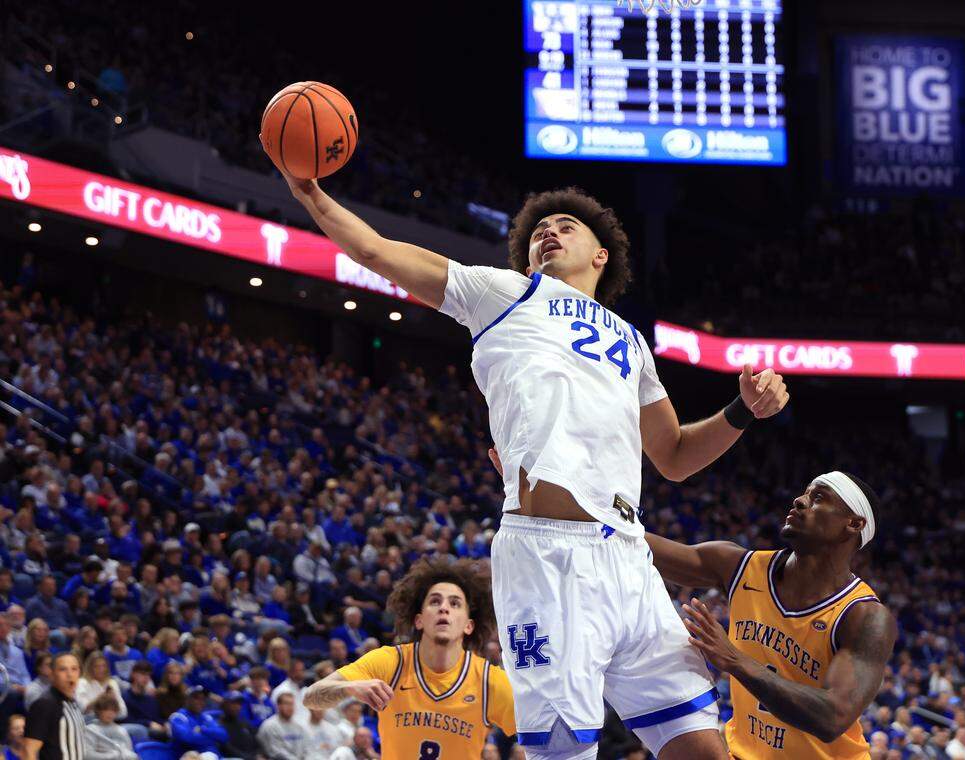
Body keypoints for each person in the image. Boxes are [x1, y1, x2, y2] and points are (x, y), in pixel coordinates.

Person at [264, 138, 789, 760]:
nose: (548, 233)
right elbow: (378, 251)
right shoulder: (504, 294)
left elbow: (673, 455)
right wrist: (312, 195)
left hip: (627, 559)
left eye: (564, 226)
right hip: (547, 555)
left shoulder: (632, 342)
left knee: (704, 751)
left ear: (600, 254)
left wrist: (742, 412)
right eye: (539, 229)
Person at [644, 472, 896, 759]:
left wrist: (736, 660)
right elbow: (640, 547)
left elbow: (832, 717)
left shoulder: (864, 616)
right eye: (804, 493)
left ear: (854, 524)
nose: (799, 501)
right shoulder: (740, 567)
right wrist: (601, 515)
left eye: (818, 498)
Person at [303, 556, 516, 760]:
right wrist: (350, 687)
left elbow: (542, 733)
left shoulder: (488, 681)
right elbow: (311, 697)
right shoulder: (390, 663)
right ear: (419, 620)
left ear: (469, 625)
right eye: (435, 601)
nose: (444, 608)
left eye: (455, 603)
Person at [23, 653, 87, 760]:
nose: (70, 674)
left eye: (74, 669)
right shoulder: (44, 704)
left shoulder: (73, 703)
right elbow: (29, 750)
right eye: (63, 669)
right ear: (52, 674)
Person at [169, 686, 228, 760]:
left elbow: (223, 736)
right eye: (196, 698)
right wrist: (212, 739)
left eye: (203, 699)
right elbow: (187, 739)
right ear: (187, 700)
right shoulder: (178, 717)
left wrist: (203, 730)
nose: (200, 702)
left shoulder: (207, 717)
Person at [84, 693, 139, 760]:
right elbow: (88, 756)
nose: (110, 713)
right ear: (98, 711)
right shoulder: (91, 730)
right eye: (106, 709)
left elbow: (130, 753)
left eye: (113, 710)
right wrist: (113, 756)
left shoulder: (122, 730)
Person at [75, 652, 128, 718]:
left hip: (111, 722)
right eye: (97, 666)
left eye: (103, 666)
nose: (101, 669)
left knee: (137, 728)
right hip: (90, 722)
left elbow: (123, 713)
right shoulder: (82, 683)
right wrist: (102, 698)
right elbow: (83, 709)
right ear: (90, 668)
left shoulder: (112, 683)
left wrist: (114, 701)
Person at [256, 693, 306, 760]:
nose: (290, 707)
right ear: (278, 706)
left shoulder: (299, 726)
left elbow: (305, 749)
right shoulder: (270, 726)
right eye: (286, 704)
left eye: (292, 704)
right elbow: (276, 753)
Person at [218, 691, 262, 760]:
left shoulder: (244, 722)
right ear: (224, 704)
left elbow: (257, 742)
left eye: (239, 703)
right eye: (233, 703)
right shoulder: (219, 725)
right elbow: (227, 749)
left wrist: (258, 755)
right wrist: (250, 758)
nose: (237, 707)